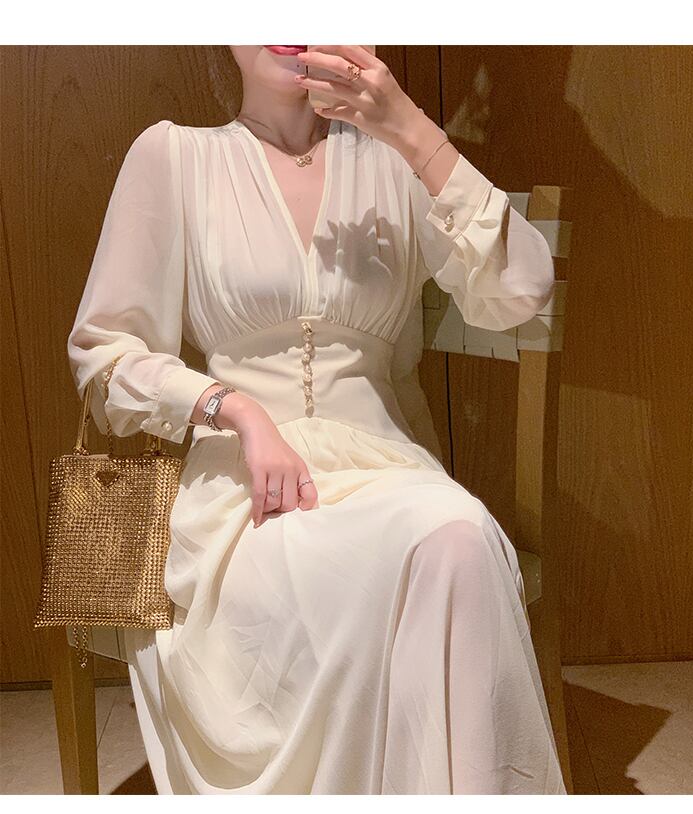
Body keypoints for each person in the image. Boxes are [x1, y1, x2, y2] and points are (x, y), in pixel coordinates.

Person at [67, 44, 566, 794]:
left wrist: (410, 128)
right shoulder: (174, 158)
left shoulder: (395, 160)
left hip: (388, 475)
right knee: (363, 570)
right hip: (243, 492)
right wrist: (233, 410)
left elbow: (523, 290)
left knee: (459, 540)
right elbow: (104, 356)